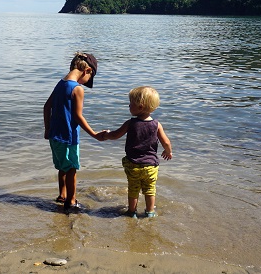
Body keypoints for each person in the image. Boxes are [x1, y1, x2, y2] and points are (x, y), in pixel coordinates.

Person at [43, 51, 106, 212]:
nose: (86, 83)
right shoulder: (77, 89)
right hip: (69, 137)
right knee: (72, 169)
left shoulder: (60, 83)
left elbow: (46, 107)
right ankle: (71, 202)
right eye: (88, 80)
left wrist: (47, 129)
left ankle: (62, 195)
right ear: (87, 71)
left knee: (62, 168)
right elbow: (78, 116)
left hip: (54, 136)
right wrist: (94, 134)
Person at [104, 86, 172, 218]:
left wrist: (106, 134)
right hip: (151, 166)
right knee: (150, 190)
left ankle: (132, 211)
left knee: (133, 189)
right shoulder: (157, 125)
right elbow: (166, 142)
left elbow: (116, 135)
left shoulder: (131, 123)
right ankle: (150, 212)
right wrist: (168, 152)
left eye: (131, 104)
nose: (128, 106)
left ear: (140, 107)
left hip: (133, 164)